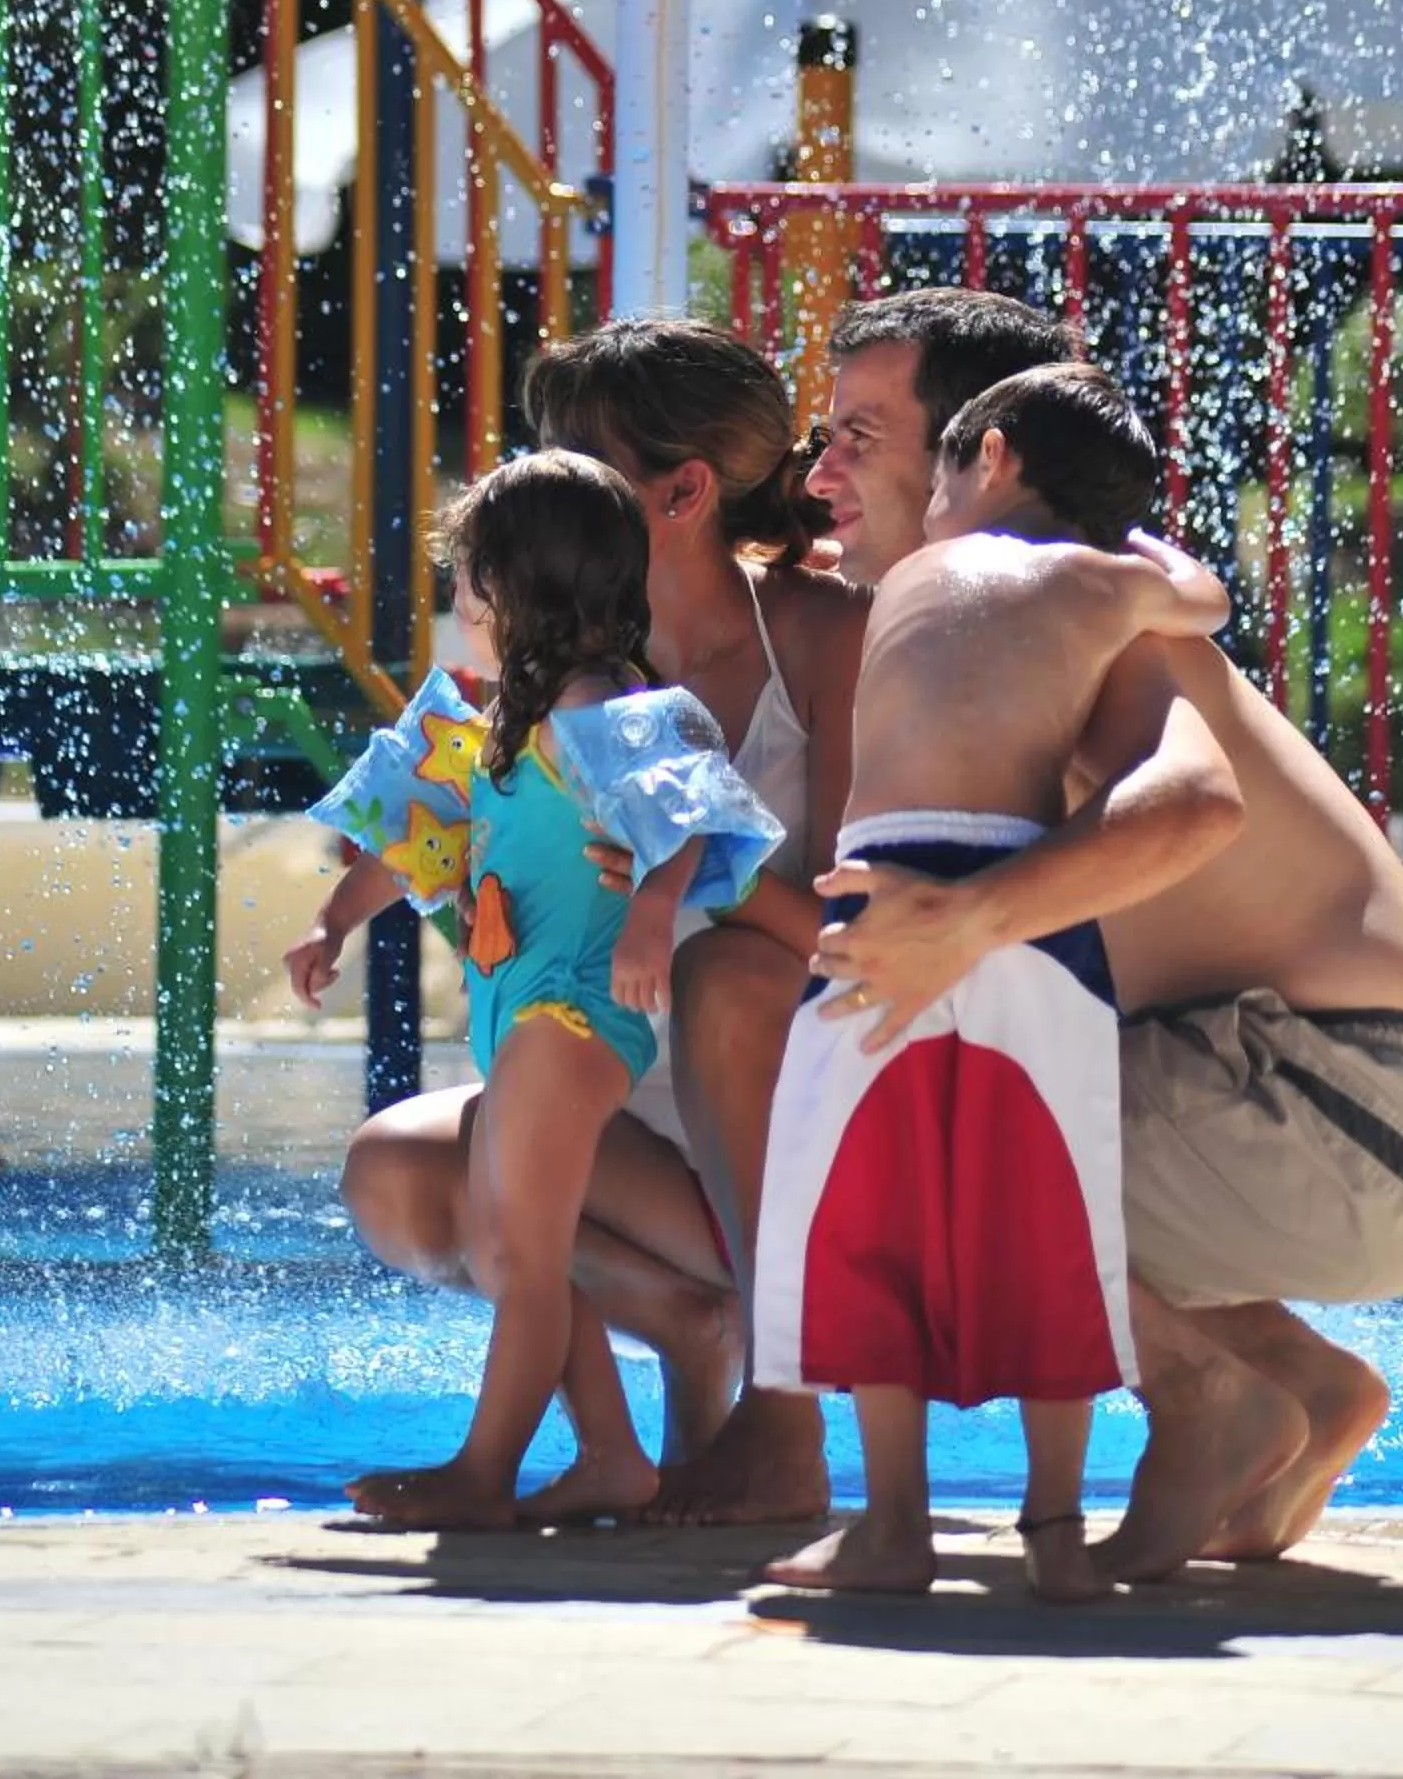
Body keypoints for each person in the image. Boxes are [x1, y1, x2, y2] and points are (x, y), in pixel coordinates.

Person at [806, 288, 1403, 1580]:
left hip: (1334, 1109)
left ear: (984, 454)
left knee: (923, 1126)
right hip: (1340, 1119)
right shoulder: (1031, 611)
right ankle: (1297, 1384)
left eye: (858, 434)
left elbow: (1192, 806)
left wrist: (966, 922)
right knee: (924, 1064)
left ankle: (1201, 1395)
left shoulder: (1083, 617)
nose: (821, 470)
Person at [333, 322, 866, 1510]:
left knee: (725, 977)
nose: (533, 482)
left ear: (681, 492)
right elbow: (452, 839)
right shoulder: (533, 669)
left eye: (573, 454)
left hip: (764, 1103)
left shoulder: (820, 637)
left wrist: (684, 873)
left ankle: (780, 1406)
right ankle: (686, 1335)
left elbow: (842, 933)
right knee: (397, 1174)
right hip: (607, 1087)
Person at [754, 364, 1232, 1599]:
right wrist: (1123, 540)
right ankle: (1056, 1532)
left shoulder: (900, 571)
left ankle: (894, 1523)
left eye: (949, 470)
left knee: (863, 1213)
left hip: (881, 889)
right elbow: (1208, 597)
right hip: (1030, 893)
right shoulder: (1108, 587)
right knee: (1052, 1216)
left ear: (994, 458)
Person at [285, 450, 782, 1528]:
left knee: (524, 1252)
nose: (458, 604)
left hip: (572, 1013)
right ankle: (608, 1456)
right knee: (517, 1250)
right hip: (527, 1021)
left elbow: (691, 822)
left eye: (466, 580)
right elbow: (412, 835)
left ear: (509, 588)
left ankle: (483, 1472)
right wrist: (332, 923)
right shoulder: (502, 723)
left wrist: (651, 916)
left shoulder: (610, 710)